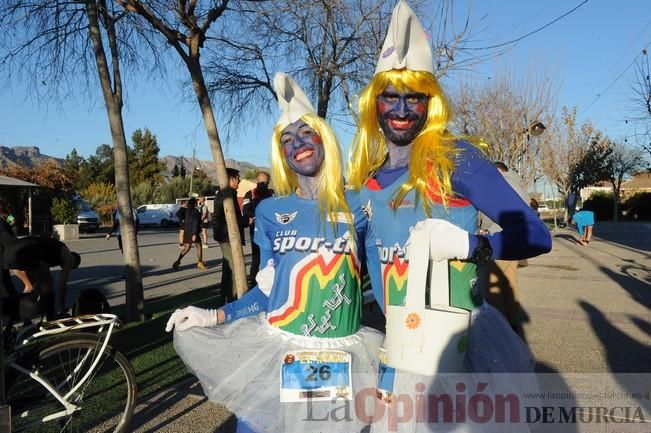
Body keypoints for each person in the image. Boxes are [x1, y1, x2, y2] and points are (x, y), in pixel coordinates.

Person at [346, 2, 552, 431]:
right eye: (390, 97)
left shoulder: (456, 161)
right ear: (374, 103)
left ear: (429, 103)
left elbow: (535, 234)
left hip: (459, 354)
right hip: (397, 353)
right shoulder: (367, 183)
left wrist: (475, 246)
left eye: (414, 97)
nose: (401, 110)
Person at [165, 73, 383, 433]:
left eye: (306, 132)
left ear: (324, 138)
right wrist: (214, 317)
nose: (298, 143)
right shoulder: (269, 212)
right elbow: (268, 289)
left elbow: (386, 283)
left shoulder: (362, 204)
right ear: (281, 154)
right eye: (287, 139)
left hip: (336, 355)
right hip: (279, 347)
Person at [477, 162, 530, 337]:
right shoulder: (518, 184)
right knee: (510, 280)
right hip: (516, 239)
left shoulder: (500, 184)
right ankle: (512, 320)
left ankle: (496, 327)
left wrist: (482, 225)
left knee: (492, 285)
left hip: (499, 238)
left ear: (498, 171)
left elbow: (488, 211)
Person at [212, 168, 249, 303]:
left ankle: (224, 297)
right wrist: (246, 221)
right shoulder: (226, 195)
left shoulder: (227, 194)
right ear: (231, 179)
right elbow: (231, 218)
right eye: (237, 178)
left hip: (225, 235)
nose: (239, 181)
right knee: (235, 268)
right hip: (227, 236)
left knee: (227, 269)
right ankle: (233, 298)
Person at [242, 171, 274, 287]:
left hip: (271, 230)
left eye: (265, 183)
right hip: (255, 230)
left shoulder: (272, 193)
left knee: (271, 257)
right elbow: (246, 211)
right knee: (256, 258)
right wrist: (260, 216)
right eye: (261, 182)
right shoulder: (250, 194)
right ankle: (254, 284)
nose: (263, 185)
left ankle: (270, 282)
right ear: (256, 182)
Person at [172, 197, 206, 270]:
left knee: (187, 248)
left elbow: (178, 213)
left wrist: (183, 217)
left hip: (187, 231)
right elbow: (195, 223)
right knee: (199, 246)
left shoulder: (186, 210)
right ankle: (200, 262)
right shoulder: (195, 211)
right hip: (193, 231)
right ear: (194, 204)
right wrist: (194, 234)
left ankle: (177, 262)